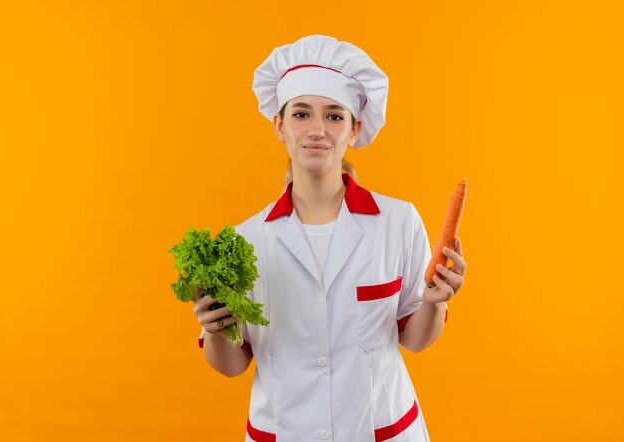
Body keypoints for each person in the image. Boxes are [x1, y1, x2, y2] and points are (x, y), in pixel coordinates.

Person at [192, 35, 467, 442]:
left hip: (383, 430)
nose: (317, 129)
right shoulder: (243, 240)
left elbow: (414, 339)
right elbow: (233, 365)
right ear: (279, 126)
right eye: (301, 114)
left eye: (335, 116)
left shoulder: (398, 221)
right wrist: (215, 329)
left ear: (354, 130)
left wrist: (434, 301)